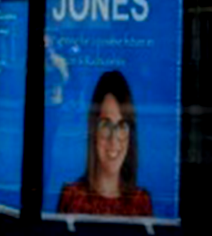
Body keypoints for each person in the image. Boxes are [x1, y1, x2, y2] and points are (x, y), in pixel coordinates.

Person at [57, 70, 153, 216]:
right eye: (106, 125)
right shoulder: (72, 197)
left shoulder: (140, 202)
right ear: (93, 131)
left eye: (121, 126)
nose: (113, 140)